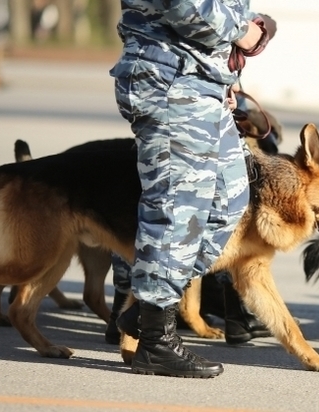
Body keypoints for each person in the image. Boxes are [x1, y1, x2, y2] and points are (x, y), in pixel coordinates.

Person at [109, 1, 277, 378]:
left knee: (227, 202)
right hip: (170, 81)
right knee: (176, 209)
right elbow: (189, 9)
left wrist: (228, 78)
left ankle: (150, 308)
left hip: (204, 83)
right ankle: (155, 340)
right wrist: (248, 31)